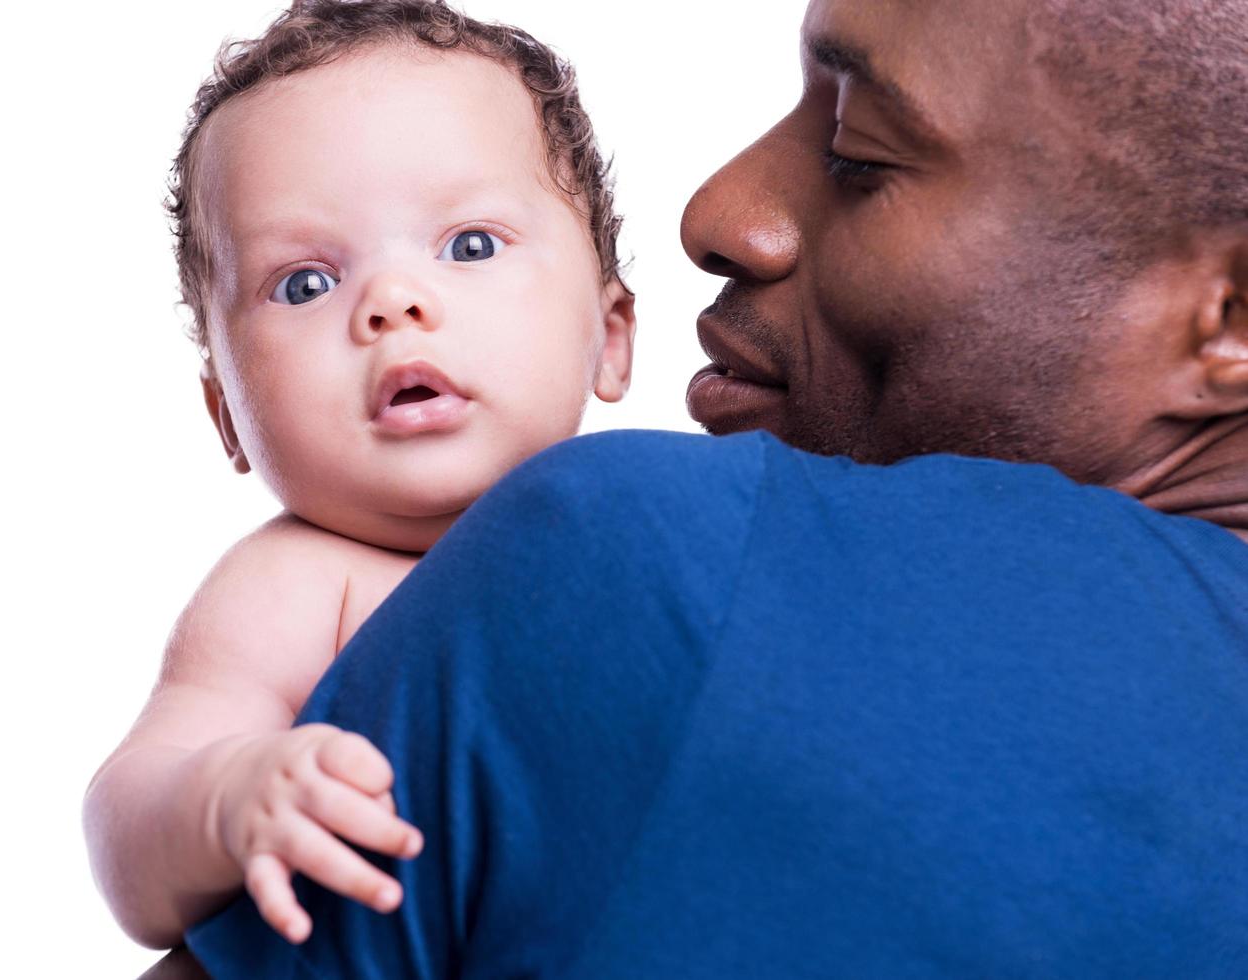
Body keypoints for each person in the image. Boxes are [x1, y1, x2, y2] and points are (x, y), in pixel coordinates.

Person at [184, 0, 1248, 975]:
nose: (715, 212)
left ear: (1229, 319)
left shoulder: (635, 560)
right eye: (304, 282)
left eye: (856, 152)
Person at [82, 0, 636, 951]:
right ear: (228, 418)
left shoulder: (649, 521)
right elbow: (129, 825)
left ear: (611, 335)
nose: (391, 303)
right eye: (303, 282)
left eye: (468, 245)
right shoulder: (300, 583)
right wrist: (226, 800)